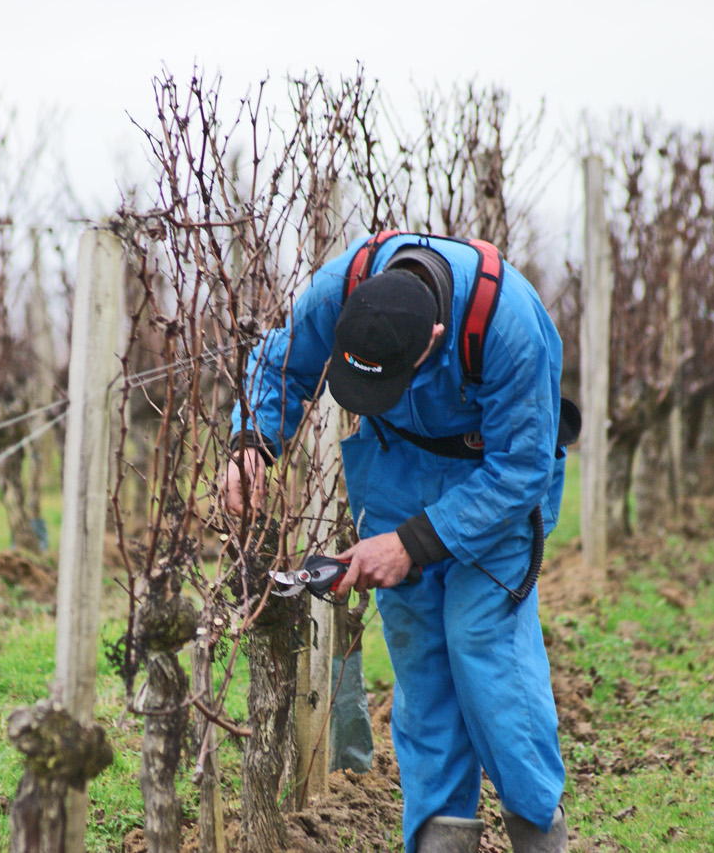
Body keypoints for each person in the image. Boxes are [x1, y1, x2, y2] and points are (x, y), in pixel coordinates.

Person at [221, 232, 571, 853]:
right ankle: (440, 839)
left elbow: (523, 468)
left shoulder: (508, 324)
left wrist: (413, 543)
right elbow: (283, 364)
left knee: (481, 643)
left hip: (492, 484)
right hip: (395, 472)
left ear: (433, 341)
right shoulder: (340, 289)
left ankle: (538, 830)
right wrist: (251, 444)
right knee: (421, 663)